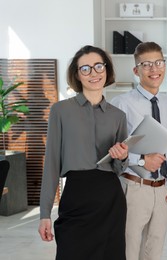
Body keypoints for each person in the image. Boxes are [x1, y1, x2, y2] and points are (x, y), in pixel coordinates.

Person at [38, 45, 129, 260]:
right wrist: (44, 215)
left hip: (110, 199)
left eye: (98, 66)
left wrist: (122, 156)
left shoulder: (118, 116)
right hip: (76, 195)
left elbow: (119, 168)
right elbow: (51, 164)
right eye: (85, 69)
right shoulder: (60, 111)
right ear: (77, 75)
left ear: (106, 69)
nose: (94, 73)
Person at [110, 41, 167, 260]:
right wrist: (141, 161)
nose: (154, 69)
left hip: (162, 190)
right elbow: (112, 151)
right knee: (128, 250)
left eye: (159, 62)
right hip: (134, 187)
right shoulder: (121, 103)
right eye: (146, 64)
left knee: (154, 252)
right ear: (136, 70)